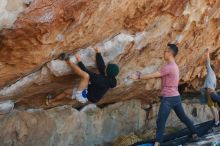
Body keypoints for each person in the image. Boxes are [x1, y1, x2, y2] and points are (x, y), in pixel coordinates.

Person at [130, 43, 200, 146]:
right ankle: (195, 133)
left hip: (168, 99)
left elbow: (154, 74)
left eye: (166, 51)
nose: (164, 52)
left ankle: (157, 143)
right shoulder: (174, 66)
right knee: (183, 117)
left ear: (170, 54)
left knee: (160, 121)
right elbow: (160, 76)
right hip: (176, 97)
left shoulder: (169, 67)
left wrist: (139, 77)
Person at [47, 47, 119, 104]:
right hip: (88, 94)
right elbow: (101, 66)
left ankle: (67, 59)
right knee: (66, 92)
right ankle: (51, 101)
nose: (105, 66)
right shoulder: (109, 78)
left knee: (86, 76)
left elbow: (86, 72)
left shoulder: (101, 80)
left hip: (84, 95)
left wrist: (79, 61)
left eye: (107, 67)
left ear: (107, 71)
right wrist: (98, 52)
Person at [202, 48, 220, 126]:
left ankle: (216, 122)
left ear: (210, 69)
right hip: (213, 92)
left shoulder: (210, 71)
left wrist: (207, 54)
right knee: (214, 107)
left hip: (209, 93)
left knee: (212, 108)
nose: (206, 69)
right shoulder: (214, 77)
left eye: (207, 69)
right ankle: (217, 120)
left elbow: (208, 63)